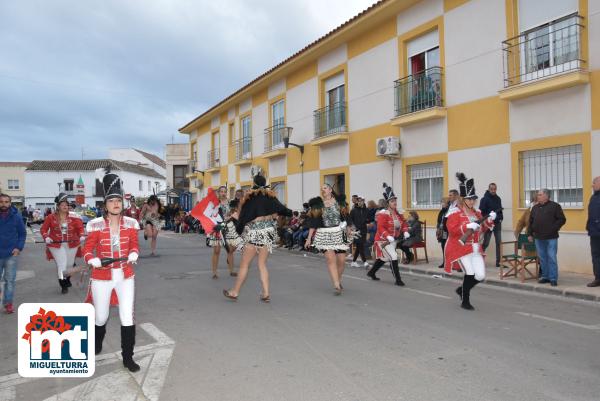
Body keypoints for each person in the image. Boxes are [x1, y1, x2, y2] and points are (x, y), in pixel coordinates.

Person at [82, 172, 141, 372]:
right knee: (101, 316)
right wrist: (92, 259)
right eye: (112, 201)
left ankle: (128, 357)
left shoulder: (131, 224)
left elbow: (134, 245)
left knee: (127, 316)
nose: (116, 204)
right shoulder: (95, 225)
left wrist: (133, 253)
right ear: (105, 205)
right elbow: (87, 250)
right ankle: (96, 343)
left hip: (125, 276)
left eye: (119, 200)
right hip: (102, 277)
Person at [223, 174, 292, 302]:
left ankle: (235, 292)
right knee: (262, 264)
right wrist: (273, 214)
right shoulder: (271, 197)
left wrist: (237, 226)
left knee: (244, 265)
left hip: (255, 233)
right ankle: (265, 293)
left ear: (253, 183)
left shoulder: (251, 198)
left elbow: (243, 218)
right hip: (268, 234)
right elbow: (286, 211)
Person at [445, 173, 496, 310]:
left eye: (473, 199)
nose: (472, 201)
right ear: (463, 199)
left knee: (480, 275)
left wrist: (490, 219)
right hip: (461, 248)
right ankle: (465, 300)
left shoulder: (477, 213)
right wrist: (466, 226)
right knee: (469, 273)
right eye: (469, 199)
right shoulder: (455, 213)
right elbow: (452, 230)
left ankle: (461, 290)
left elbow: (485, 228)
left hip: (475, 248)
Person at [305, 184, 352, 295]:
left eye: (325, 188)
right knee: (331, 260)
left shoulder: (340, 203)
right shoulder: (318, 206)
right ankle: (336, 285)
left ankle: (338, 280)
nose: (323, 190)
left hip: (339, 233)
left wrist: (349, 228)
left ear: (330, 190)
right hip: (324, 233)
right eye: (322, 189)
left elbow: (346, 216)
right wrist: (309, 238)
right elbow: (313, 223)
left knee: (341, 261)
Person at [40, 193, 85, 294]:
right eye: (62, 204)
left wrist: (82, 235)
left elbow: (80, 228)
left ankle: (67, 279)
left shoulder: (74, 216)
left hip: (72, 243)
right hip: (55, 244)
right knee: (62, 264)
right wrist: (46, 237)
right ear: (58, 206)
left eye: (66, 204)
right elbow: (43, 229)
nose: (65, 206)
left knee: (69, 265)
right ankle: (63, 284)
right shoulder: (50, 217)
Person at [366, 183, 408, 286]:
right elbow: (380, 227)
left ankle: (371, 272)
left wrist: (406, 231)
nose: (395, 203)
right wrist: (387, 235)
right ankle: (398, 280)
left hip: (393, 240)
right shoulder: (383, 213)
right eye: (392, 201)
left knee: (384, 258)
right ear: (388, 203)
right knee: (393, 256)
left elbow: (404, 223)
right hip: (382, 240)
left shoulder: (398, 213)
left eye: (395, 201)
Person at [528, 189, 566, 286]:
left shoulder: (555, 206)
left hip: (551, 237)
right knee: (542, 258)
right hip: (538, 237)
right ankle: (545, 276)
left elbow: (562, 219)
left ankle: (553, 278)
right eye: (538, 195)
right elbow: (530, 222)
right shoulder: (535, 208)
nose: (538, 196)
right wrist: (530, 234)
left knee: (552, 257)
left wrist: (553, 228)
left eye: (540, 195)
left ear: (546, 196)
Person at [0, 194, 26, 314]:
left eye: (6, 202)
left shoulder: (16, 217)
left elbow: (22, 234)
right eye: (1, 202)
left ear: (10, 203)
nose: (4, 204)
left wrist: (18, 248)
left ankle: (8, 303)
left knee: (9, 281)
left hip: (11, 254)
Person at [207, 186, 233, 279]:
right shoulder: (215, 202)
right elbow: (210, 214)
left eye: (225, 191)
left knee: (230, 250)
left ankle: (231, 270)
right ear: (218, 193)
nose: (223, 193)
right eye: (221, 191)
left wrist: (229, 217)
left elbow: (233, 213)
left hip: (228, 227)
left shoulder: (230, 202)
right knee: (216, 250)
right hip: (217, 228)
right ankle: (214, 272)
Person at [480, 183, 504, 267]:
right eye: (492, 189)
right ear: (489, 189)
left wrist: (500, 218)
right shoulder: (484, 199)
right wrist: (487, 219)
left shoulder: (498, 199)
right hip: (488, 224)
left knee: (499, 243)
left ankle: (499, 262)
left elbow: (500, 211)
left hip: (497, 224)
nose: (493, 191)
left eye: (495, 189)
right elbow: (481, 212)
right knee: (486, 243)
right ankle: (479, 260)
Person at [223, 199, 243, 277]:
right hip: (231, 234)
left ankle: (229, 258)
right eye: (240, 205)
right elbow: (225, 221)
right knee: (231, 251)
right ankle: (232, 271)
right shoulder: (233, 214)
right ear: (236, 207)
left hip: (240, 234)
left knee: (232, 250)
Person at [587, 176, 600, 287]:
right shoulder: (593, 197)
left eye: (594, 183)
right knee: (595, 256)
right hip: (594, 233)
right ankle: (598, 278)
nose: (592, 185)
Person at [350, 196, 370, 268]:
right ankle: (365, 262)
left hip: (364, 230)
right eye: (358, 201)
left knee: (359, 247)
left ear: (364, 201)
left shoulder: (366, 210)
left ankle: (353, 262)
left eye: (361, 201)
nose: (360, 202)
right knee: (360, 246)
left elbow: (369, 219)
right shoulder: (353, 210)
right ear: (357, 202)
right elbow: (350, 220)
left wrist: (368, 221)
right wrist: (353, 227)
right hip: (356, 231)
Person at [436, 197, 450, 269]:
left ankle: (450, 263)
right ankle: (445, 262)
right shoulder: (442, 211)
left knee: (448, 247)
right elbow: (439, 221)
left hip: (447, 231)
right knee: (443, 246)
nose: (442, 204)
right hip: (442, 231)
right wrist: (437, 229)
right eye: (441, 203)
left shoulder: (449, 211)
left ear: (447, 204)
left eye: (443, 203)